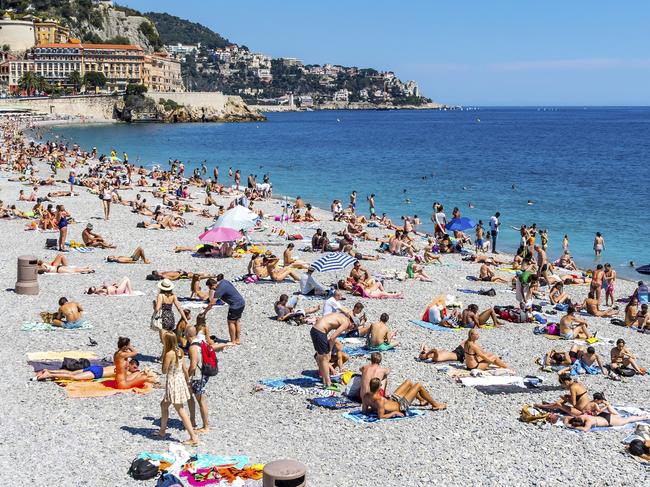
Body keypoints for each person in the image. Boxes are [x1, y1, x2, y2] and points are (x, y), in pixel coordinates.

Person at [153, 333, 198, 446]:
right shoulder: (180, 351)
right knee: (164, 405)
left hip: (173, 382)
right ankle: (162, 431)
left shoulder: (169, 354)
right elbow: (184, 368)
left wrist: (164, 360)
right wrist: (187, 381)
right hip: (180, 380)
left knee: (180, 410)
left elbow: (164, 370)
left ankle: (193, 437)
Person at [362, 378, 446, 419]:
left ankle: (422, 400)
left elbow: (364, 411)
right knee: (419, 385)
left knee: (408, 382)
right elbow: (381, 417)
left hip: (392, 401)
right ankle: (435, 405)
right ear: (378, 388)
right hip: (401, 406)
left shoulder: (366, 396)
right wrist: (394, 412)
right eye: (381, 385)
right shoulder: (380, 400)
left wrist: (374, 408)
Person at [310, 312, 352, 388]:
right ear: (352, 323)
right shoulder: (346, 323)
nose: (349, 329)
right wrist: (329, 351)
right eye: (352, 328)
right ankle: (328, 383)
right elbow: (333, 337)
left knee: (321, 357)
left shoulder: (341, 316)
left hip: (315, 330)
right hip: (320, 331)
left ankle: (324, 380)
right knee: (325, 358)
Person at [202, 274, 245, 345]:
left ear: (212, 285)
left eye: (210, 288)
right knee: (236, 321)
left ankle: (232, 341)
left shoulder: (219, 290)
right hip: (241, 302)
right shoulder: (224, 282)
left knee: (231, 322)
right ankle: (237, 340)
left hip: (235, 305)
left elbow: (212, 303)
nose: (210, 289)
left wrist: (205, 312)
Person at [564, 413, 648, 432]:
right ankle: (639, 416)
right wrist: (567, 423)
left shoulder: (588, 421)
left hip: (608, 421)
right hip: (603, 416)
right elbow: (566, 417)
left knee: (627, 420)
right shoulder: (581, 416)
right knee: (622, 418)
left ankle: (643, 417)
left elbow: (586, 429)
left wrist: (572, 427)